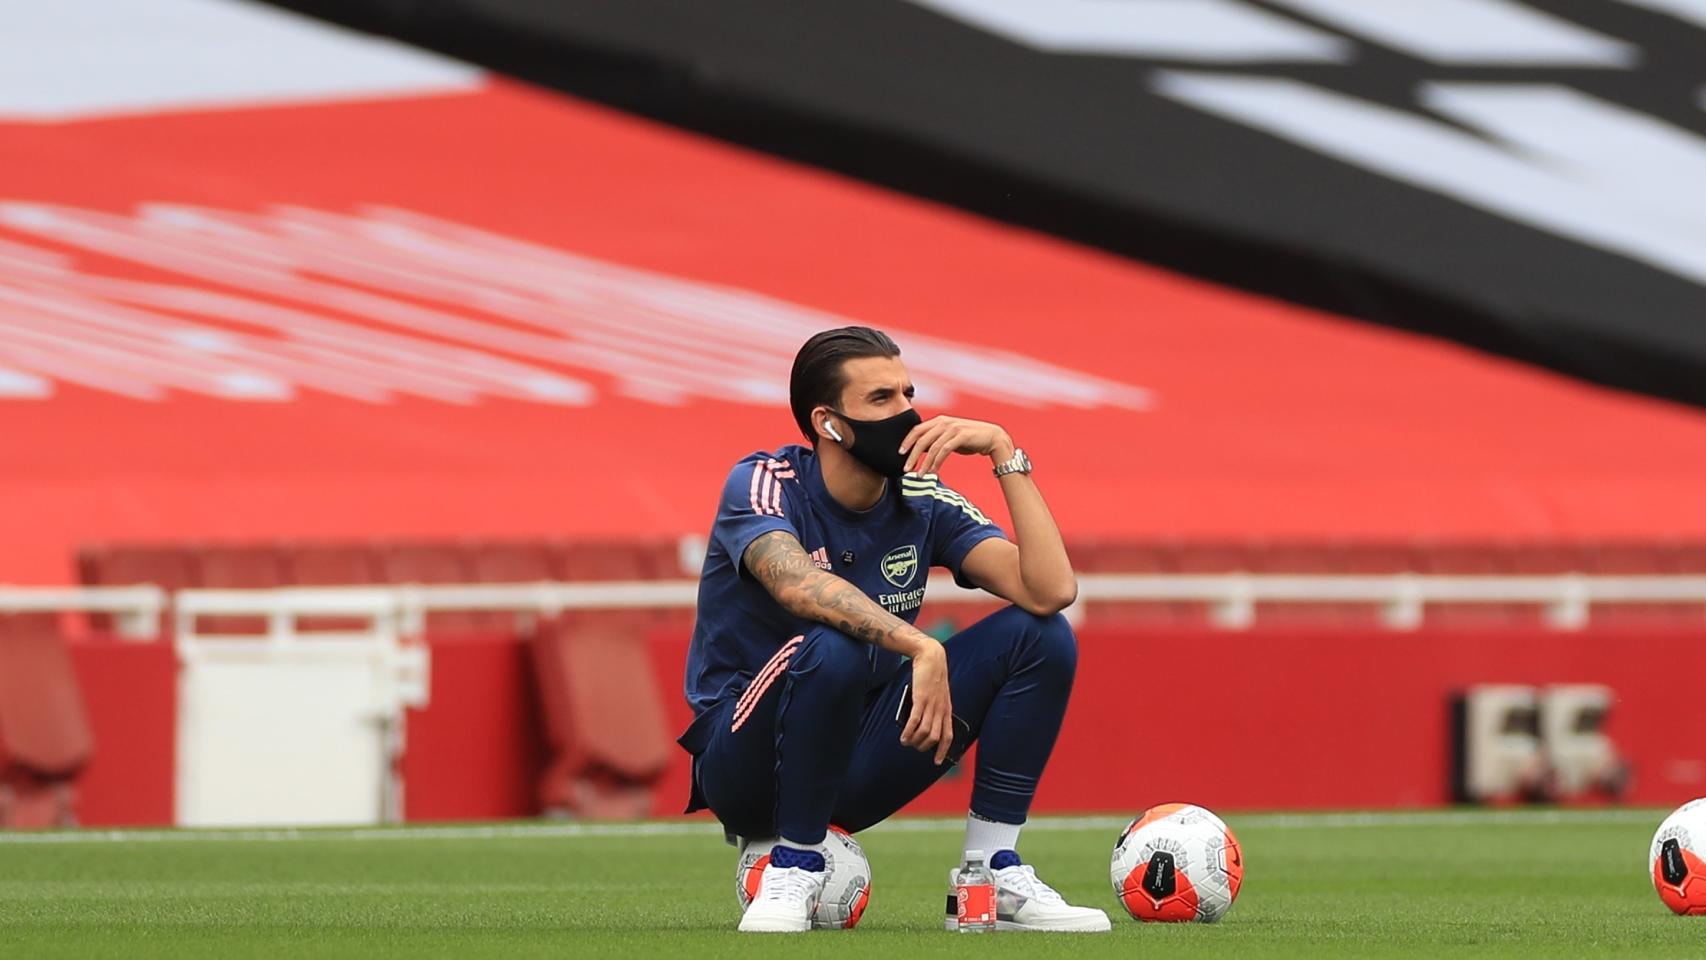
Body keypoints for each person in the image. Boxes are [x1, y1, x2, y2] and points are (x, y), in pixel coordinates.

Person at [677, 326, 1110, 933]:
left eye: (908, 393)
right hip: (744, 761)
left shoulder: (922, 497)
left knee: (1040, 636)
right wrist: (916, 643)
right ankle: (795, 867)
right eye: (881, 399)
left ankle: (991, 874)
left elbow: (1050, 588)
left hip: (854, 758)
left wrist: (1004, 454)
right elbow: (794, 583)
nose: (908, 413)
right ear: (830, 424)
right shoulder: (764, 481)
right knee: (834, 644)